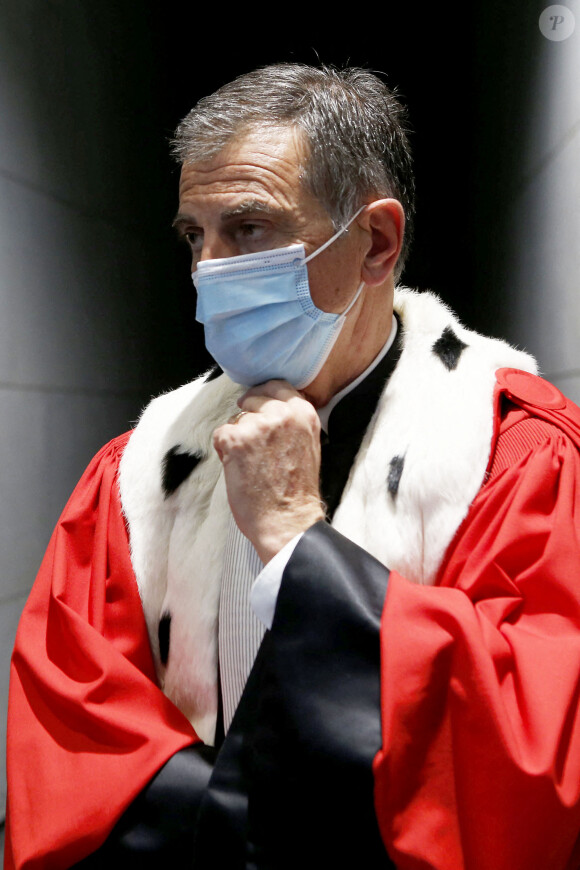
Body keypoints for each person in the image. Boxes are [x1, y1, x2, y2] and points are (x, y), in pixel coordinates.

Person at [6, 63, 580, 870]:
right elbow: (72, 731)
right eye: (193, 236)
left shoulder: (513, 450)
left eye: (248, 230)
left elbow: (530, 745)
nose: (210, 271)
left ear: (376, 243)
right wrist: (240, 839)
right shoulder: (140, 468)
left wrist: (299, 547)